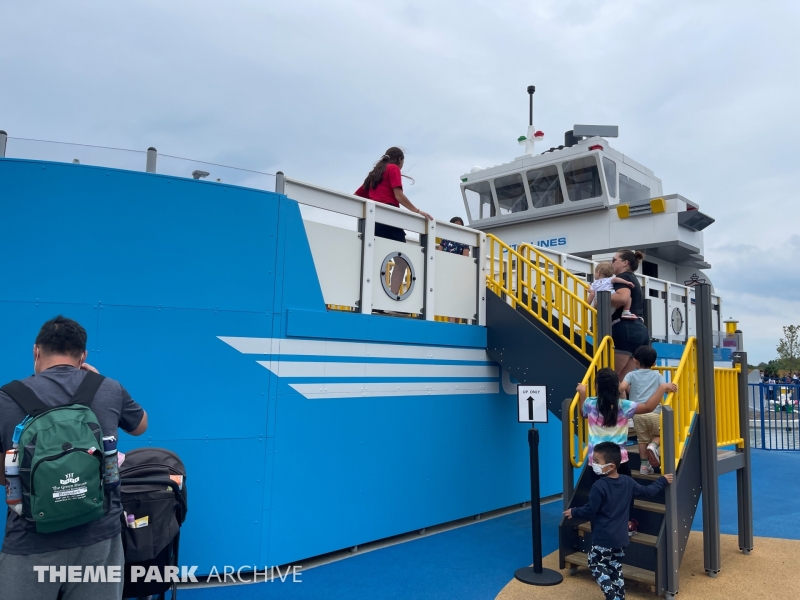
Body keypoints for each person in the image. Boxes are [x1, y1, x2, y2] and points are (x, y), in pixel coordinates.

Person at [0, 316, 148, 600]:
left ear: (36, 352)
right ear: (83, 356)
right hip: (100, 539)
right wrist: (99, 383)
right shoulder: (108, 388)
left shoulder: (7, 397)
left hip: (30, 541)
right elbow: (141, 426)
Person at [563, 442, 673, 600]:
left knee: (595, 564)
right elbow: (648, 491)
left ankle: (612, 596)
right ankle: (620, 596)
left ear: (611, 466)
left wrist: (575, 511)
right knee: (614, 566)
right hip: (621, 537)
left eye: (597, 462)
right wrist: (661, 481)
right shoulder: (628, 482)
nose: (594, 464)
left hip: (603, 537)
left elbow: (591, 509)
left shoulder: (599, 486)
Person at [355, 147, 434, 295]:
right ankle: (391, 296)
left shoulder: (374, 174)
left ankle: (373, 297)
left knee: (377, 259)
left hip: (373, 219)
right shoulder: (393, 168)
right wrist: (417, 211)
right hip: (388, 217)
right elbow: (398, 195)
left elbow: (357, 196)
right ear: (400, 160)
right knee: (401, 260)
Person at [619, 346, 664, 475]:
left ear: (635, 361)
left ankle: (644, 466)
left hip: (637, 414)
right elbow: (664, 389)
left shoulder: (631, 375)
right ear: (654, 363)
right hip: (655, 412)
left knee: (642, 439)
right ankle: (654, 446)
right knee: (660, 435)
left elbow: (622, 388)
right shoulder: (657, 375)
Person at [609, 249, 651, 378]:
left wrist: (601, 297)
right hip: (640, 328)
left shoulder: (622, 277)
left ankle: (604, 399)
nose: (611, 263)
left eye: (614, 260)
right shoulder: (633, 279)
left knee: (611, 378)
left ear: (625, 263)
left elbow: (623, 298)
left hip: (625, 328)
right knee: (621, 380)